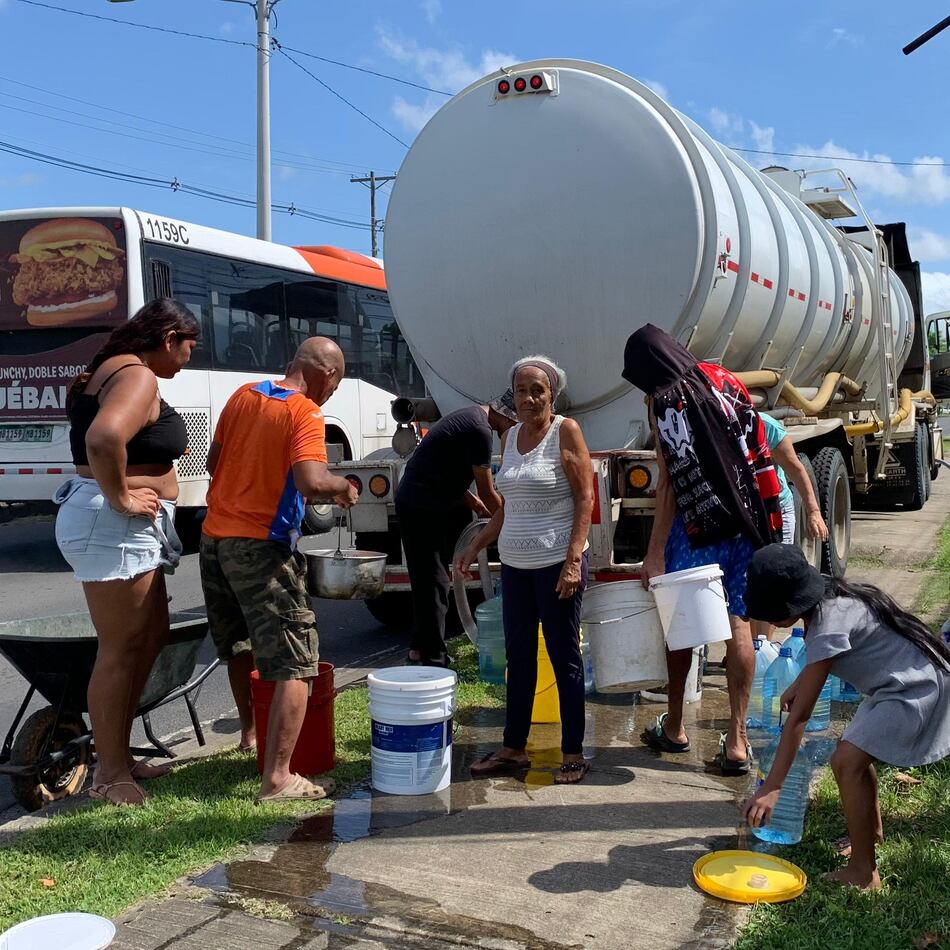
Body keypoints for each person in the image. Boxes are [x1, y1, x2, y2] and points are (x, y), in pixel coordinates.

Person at [54, 298, 200, 806]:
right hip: (111, 523)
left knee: (152, 634)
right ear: (168, 339)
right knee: (119, 651)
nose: (189, 359)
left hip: (120, 524)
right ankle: (109, 773)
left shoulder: (112, 367)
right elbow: (103, 438)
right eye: (189, 347)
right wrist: (120, 495)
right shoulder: (138, 376)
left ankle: (114, 749)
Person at [199, 337, 358, 803]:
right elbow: (312, 480)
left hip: (213, 540)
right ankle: (279, 778)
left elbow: (214, 462)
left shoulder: (243, 395)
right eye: (337, 383)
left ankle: (250, 736)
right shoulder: (305, 412)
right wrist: (343, 487)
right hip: (261, 548)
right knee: (295, 659)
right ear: (326, 375)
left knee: (240, 644)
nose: (332, 393)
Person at [621, 324, 783, 775]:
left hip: (697, 529)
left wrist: (654, 552)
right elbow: (755, 446)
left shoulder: (664, 400)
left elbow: (671, 479)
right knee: (739, 625)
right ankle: (737, 739)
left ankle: (674, 726)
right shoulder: (724, 378)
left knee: (682, 625)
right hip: (747, 522)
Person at [742, 544, 950, 891]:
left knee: (846, 761)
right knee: (854, 752)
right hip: (901, 681)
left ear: (788, 607)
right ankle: (872, 834)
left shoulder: (826, 625)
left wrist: (774, 786)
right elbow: (824, 661)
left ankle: (864, 873)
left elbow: (799, 720)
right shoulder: (831, 598)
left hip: (915, 688)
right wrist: (799, 681)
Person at [455, 356, 594, 784]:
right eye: (521, 390)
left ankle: (572, 752)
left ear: (552, 394)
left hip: (556, 566)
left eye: (538, 390)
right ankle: (513, 748)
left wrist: (573, 562)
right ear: (511, 396)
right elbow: (507, 508)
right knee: (519, 658)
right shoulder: (510, 435)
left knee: (563, 657)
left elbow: (585, 497)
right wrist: (475, 545)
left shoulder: (565, 431)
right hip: (515, 568)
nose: (529, 398)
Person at [395, 392, 519, 666]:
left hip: (424, 500)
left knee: (428, 579)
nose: (512, 431)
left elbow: (447, 470)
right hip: (420, 505)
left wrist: (474, 504)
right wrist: (508, 517)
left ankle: (419, 648)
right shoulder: (480, 430)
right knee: (433, 580)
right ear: (507, 416)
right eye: (514, 424)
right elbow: (487, 489)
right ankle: (432, 657)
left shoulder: (471, 418)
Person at [752, 412, 829, 643]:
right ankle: (755, 644)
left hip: (775, 507)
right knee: (750, 575)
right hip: (743, 509)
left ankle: (763, 644)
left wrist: (814, 512)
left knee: (773, 576)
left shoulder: (765, 425)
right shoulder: (715, 421)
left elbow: (795, 469)